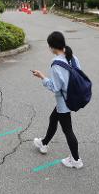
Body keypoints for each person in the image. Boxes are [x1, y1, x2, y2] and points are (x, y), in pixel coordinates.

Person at [31, 31, 83, 169]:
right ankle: (44, 143)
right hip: (73, 97)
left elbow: (55, 87)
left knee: (67, 130)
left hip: (64, 101)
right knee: (53, 118)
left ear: (52, 47)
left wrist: (42, 76)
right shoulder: (72, 57)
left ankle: (76, 160)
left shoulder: (56, 64)